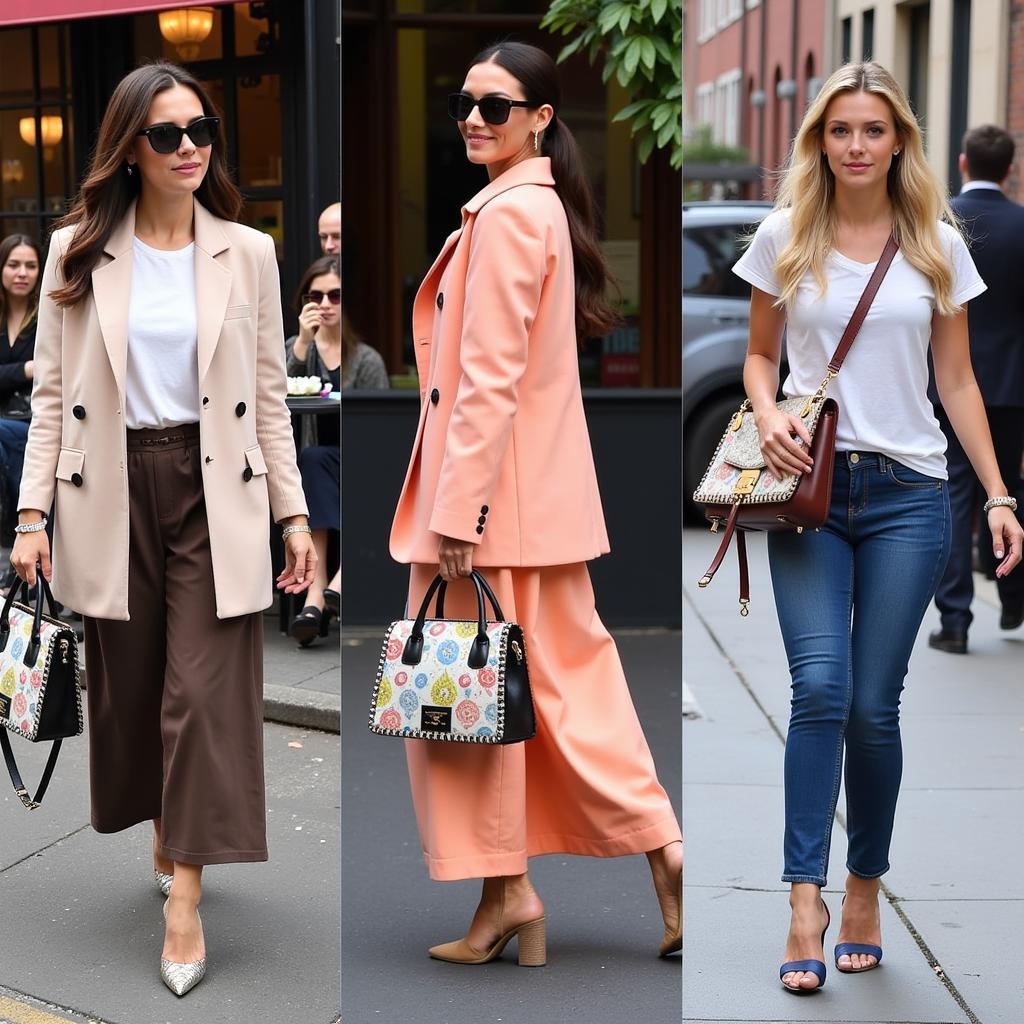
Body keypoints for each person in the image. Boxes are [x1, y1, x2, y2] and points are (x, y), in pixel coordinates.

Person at [12, 61, 315, 997]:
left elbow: (269, 400)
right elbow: (54, 398)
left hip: (213, 487)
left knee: (205, 688)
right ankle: (165, 824)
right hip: (108, 487)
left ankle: (185, 890)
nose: (191, 148)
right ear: (130, 149)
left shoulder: (249, 253)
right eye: (167, 134)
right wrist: (30, 517)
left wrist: (295, 515)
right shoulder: (77, 251)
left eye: (202, 129)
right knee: (137, 685)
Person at [388, 41, 683, 966]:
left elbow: (487, 382)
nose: (475, 119)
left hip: (490, 510)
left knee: (465, 708)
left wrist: (456, 519)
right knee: (562, 695)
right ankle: (645, 865)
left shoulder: (512, 216)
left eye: (497, 106)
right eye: (464, 104)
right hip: (531, 506)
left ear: (542, 119)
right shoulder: (531, 207)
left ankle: (512, 894)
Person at [732, 61, 1022, 994]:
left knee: (871, 705)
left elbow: (959, 381)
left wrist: (1001, 495)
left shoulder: (938, 243)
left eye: (872, 130)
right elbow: (759, 355)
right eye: (839, 130)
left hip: (909, 494)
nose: (856, 146)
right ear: (820, 139)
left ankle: (865, 884)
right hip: (808, 491)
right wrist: (768, 413)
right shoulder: (785, 233)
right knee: (818, 688)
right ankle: (803, 896)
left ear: (899, 140)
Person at [927, 125, 1024, 653]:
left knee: (955, 496)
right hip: (1011, 386)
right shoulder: (1023, 224)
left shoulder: (941, 223)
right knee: (1007, 489)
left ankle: (956, 620)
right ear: (1008, 168)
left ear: (963, 163)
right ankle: (1013, 596)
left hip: (948, 384)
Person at [284, 257, 345, 642]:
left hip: (358, 458)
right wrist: (305, 343)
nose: (325, 303)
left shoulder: (365, 355)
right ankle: (323, 589)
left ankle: (321, 595)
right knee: (313, 460)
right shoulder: (295, 347)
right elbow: (280, 397)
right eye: (315, 295)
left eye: (335, 295)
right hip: (317, 464)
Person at [0, 234, 40, 529]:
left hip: (34, 420)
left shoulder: (49, 316)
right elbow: (37, 369)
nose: (22, 273)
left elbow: (54, 372)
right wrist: (26, 369)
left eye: (31, 265)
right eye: (14, 265)